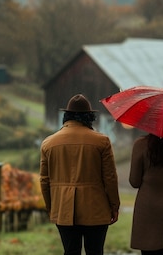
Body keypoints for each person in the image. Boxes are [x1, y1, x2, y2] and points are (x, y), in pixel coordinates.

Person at [40, 94, 120, 255]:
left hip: (63, 208)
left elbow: (44, 181)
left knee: (70, 251)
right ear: (89, 117)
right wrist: (114, 206)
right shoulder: (102, 141)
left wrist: (51, 207)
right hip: (96, 208)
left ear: (66, 116)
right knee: (95, 251)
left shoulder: (48, 143)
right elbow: (110, 178)